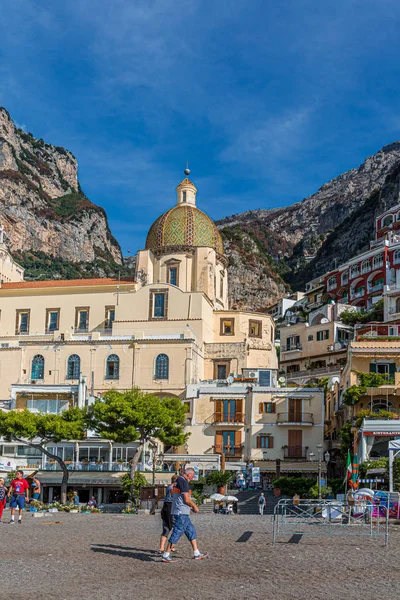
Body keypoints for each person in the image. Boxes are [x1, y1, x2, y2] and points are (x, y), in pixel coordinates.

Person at [162, 467, 208, 563]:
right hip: (181, 512)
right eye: (193, 475)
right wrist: (194, 506)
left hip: (182, 511)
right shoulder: (182, 481)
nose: (193, 477)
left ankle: (196, 553)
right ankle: (166, 555)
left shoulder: (178, 481)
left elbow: (172, 494)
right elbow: (186, 499)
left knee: (191, 530)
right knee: (177, 532)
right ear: (189, 474)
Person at [159, 474, 178, 553]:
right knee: (174, 527)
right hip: (170, 508)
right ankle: (171, 546)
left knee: (166, 528)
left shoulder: (169, 487)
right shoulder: (172, 488)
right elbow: (175, 497)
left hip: (165, 508)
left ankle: (162, 547)